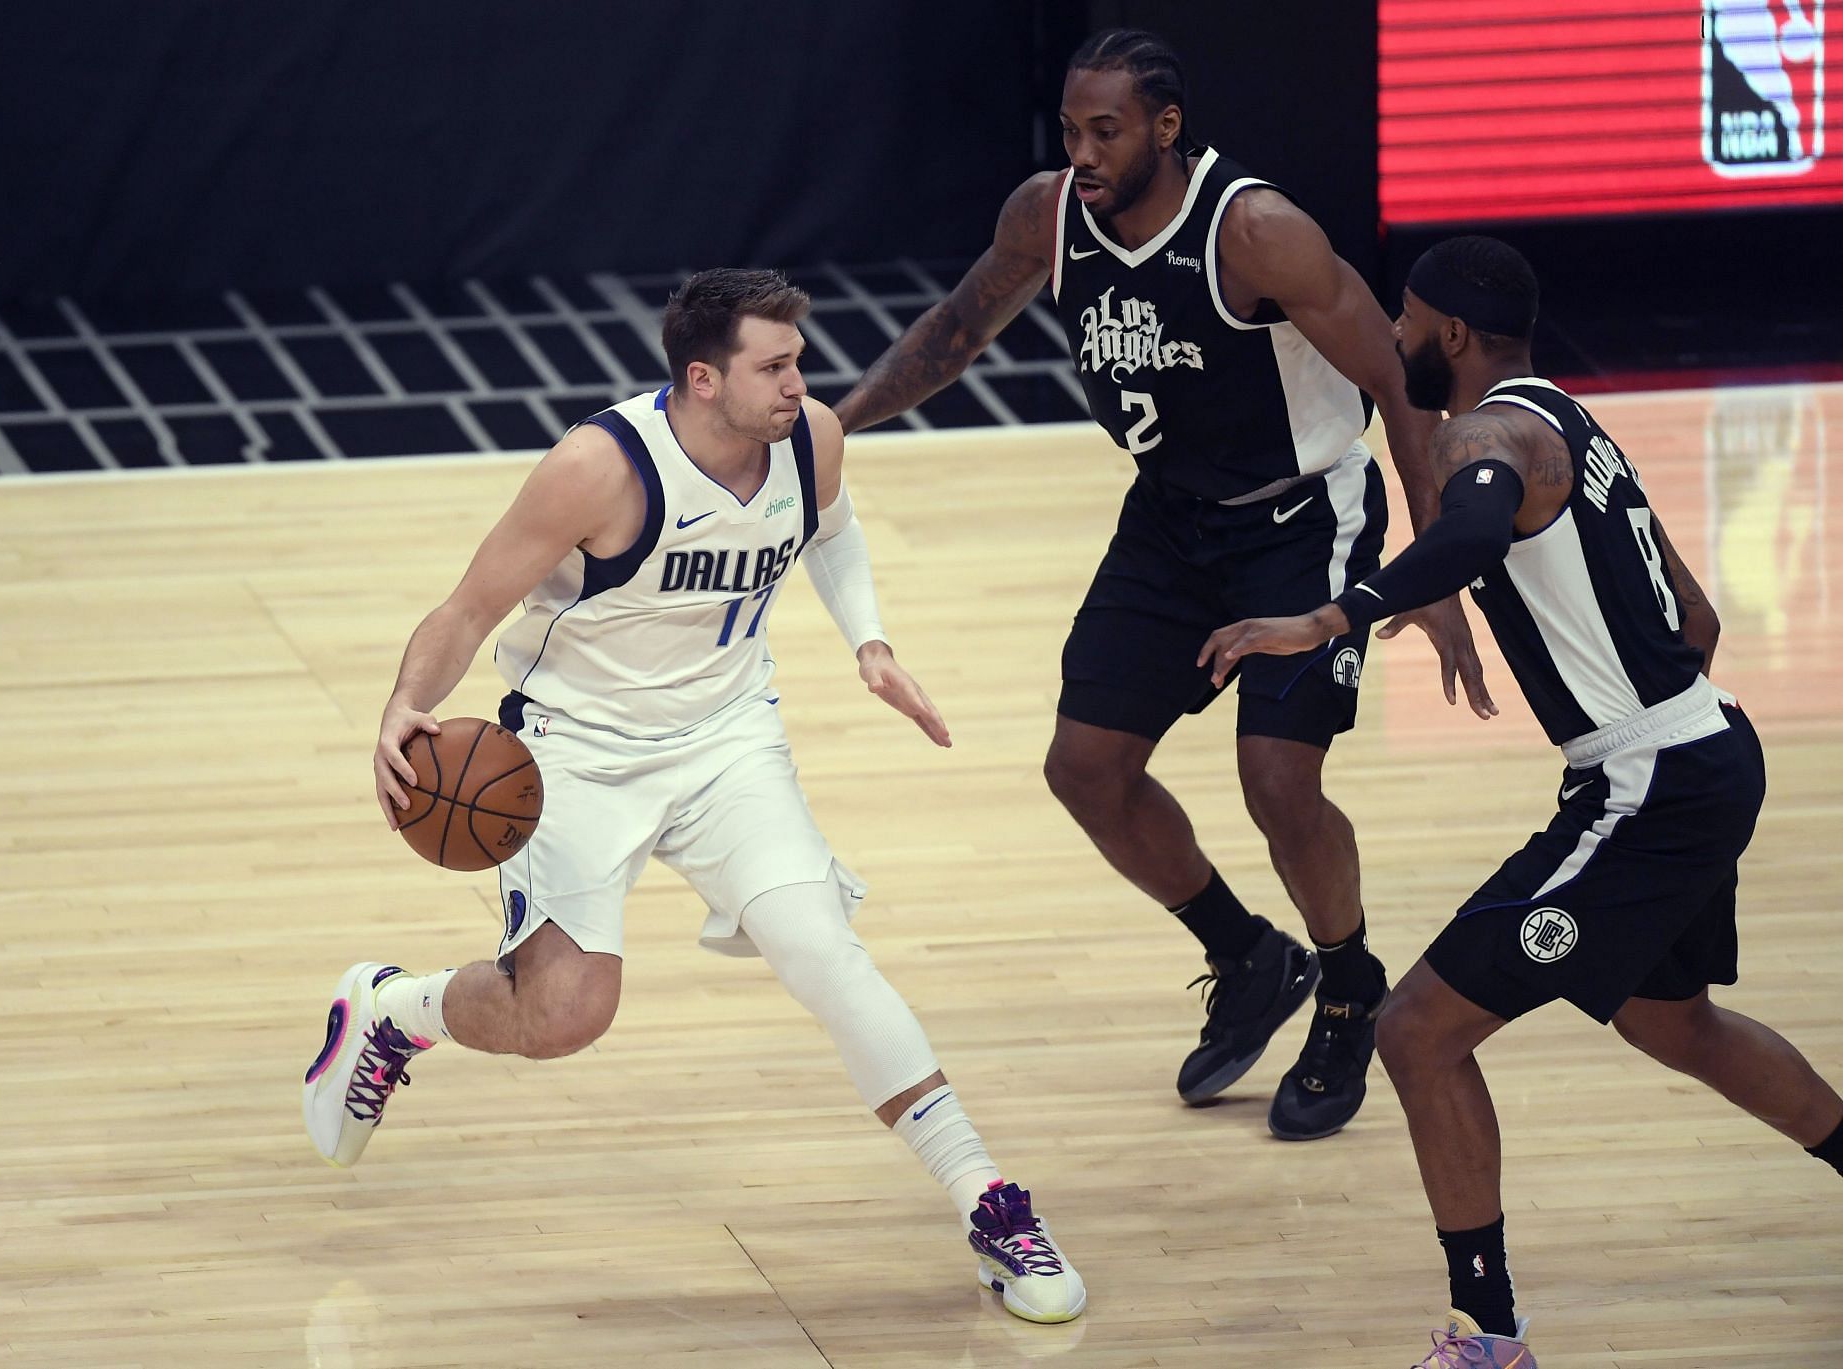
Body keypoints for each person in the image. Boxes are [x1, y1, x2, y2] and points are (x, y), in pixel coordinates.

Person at [301, 268, 1086, 1325]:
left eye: (798, 361)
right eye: (775, 364)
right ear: (702, 379)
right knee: (565, 1016)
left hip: (727, 743)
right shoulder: (597, 468)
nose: (798, 383)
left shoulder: (809, 437)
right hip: (575, 753)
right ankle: (394, 1009)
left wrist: (871, 642)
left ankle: (989, 1201)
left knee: (822, 951)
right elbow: (470, 606)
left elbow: (833, 527)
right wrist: (405, 700)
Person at [1197, 235, 1843, 1366]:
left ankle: (1487, 1335)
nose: (1394, 342)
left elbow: (1476, 523)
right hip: (1708, 744)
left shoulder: (1481, 436)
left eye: (1404, 322)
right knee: (1671, 1020)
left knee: (1418, 1032)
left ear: (1448, 332)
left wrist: (1329, 616)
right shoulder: (1572, 424)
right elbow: (1696, 620)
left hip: (1648, 784)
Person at [833, 29, 1488, 1140]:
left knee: (1278, 779)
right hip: (1171, 522)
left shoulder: (1256, 232)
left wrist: (1433, 570)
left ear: (1165, 130)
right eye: (1072, 132)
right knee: (1084, 768)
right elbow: (954, 333)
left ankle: (1345, 983)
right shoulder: (1047, 214)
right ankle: (1246, 955)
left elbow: (1398, 377)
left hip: (1301, 517)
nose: (1083, 154)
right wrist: (833, 428)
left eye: (1107, 132)